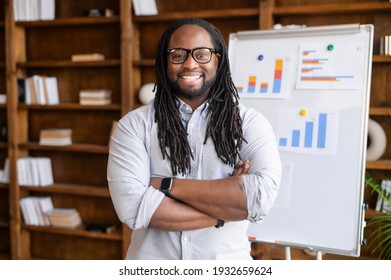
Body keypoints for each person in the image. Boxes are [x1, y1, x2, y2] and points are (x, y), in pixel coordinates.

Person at [107, 17, 282, 260]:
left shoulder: (250, 124)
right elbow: (132, 207)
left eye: (201, 54)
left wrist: (164, 185)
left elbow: (258, 201)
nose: (190, 64)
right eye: (178, 55)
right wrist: (223, 212)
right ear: (165, 62)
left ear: (217, 60)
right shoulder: (134, 126)